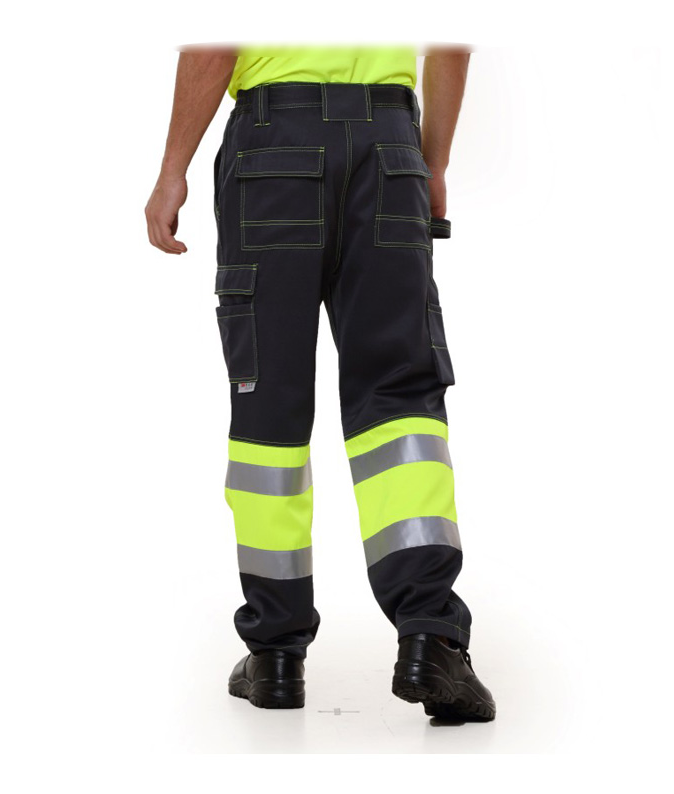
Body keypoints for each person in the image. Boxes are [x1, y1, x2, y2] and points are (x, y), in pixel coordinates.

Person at [145, 44, 496, 721]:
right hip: (389, 149)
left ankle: (276, 654)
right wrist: (434, 164)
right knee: (399, 399)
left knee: (268, 401)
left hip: (273, 148)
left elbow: (217, 41)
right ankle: (430, 636)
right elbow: (452, 41)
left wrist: (171, 171)